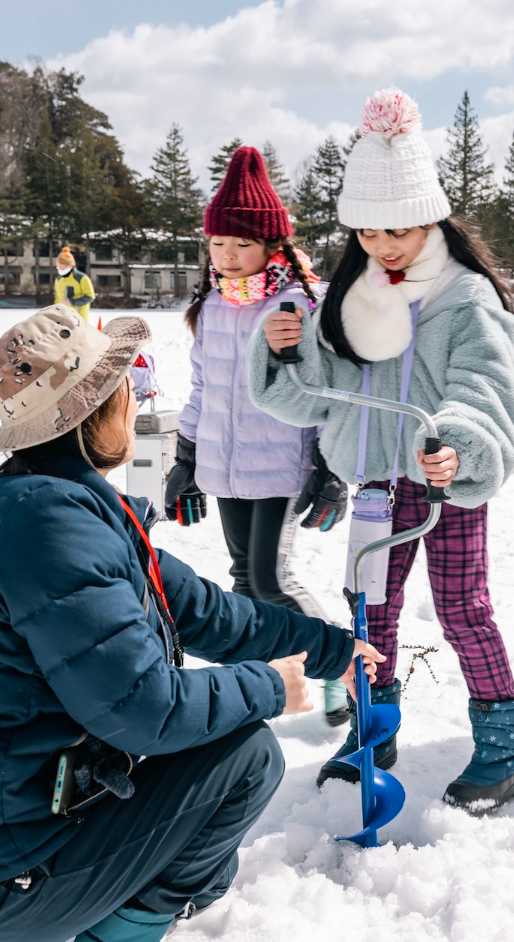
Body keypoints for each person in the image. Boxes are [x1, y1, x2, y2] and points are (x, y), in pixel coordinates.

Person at [0, 305, 381, 942]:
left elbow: (208, 612)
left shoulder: (71, 507)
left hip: (9, 828)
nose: (134, 394)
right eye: (121, 382)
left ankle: (119, 909)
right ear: (89, 412)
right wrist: (273, 686)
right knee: (246, 759)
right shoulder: (51, 530)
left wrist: (331, 651)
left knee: (214, 836)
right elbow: (144, 708)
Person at [250, 89, 514, 814]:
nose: (383, 245)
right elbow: (313, 397)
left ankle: (504, 749)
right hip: (376, 485)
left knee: (463, 608)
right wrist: (284, 350)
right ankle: (374, 731)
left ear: (431, 217)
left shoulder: (464, 297)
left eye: (398, 229)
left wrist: (459, 447)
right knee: (370, 612)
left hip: (441, 482)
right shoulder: (353, 297)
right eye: (368, 232)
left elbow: (485, 384)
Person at [166, 145, 351, 727]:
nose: (227, 254)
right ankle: (257, 687)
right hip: (224, 465)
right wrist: (185, 457)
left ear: (273, 245)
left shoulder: (300, 303)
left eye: (241, 243)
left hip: (283, 464)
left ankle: (343, 668)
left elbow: (325, 390)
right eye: (217, 242)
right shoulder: (211, 304)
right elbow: (202, 388)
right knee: (244, 580)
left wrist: (330, 468)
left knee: (273, 578)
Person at [54, 246, 95, 321]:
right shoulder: (58, 280)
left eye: (63, 267)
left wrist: (71, 301)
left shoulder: (82, 278)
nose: (60, 269)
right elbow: (57, 298)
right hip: (63, 319)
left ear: (71, 266)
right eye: (58, 267)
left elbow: (90, 297)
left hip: (79, 319)